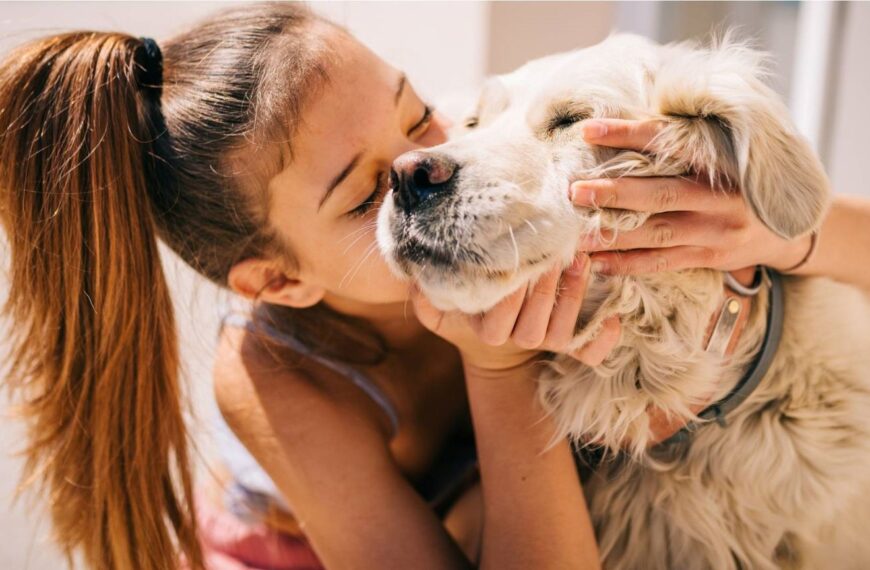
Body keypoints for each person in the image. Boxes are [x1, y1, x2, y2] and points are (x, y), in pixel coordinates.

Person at [1, 4, 868, 570]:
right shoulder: (273, 375)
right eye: (365, 192)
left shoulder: (468, 161)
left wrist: (787, 232)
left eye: (417, 114)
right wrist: (497, 373)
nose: (428, 166)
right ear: (280, 279)